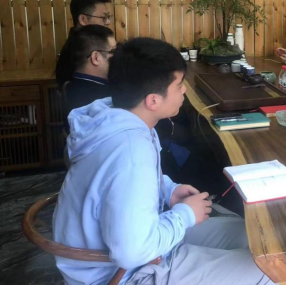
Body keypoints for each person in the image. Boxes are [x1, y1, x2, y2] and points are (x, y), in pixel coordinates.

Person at [53, 38, 273, 285]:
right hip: (120, 273)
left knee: (254, 239)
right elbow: (132, 252)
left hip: (134, 240)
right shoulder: (130, 152)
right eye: (179, 85)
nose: (184, 91)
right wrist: (185, 215)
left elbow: (116, 185)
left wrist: (167, 189)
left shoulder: (116, 118)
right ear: (153, 100)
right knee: (271, 270)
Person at [55, 25, 116, 118]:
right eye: (113, 51)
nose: (118, 55)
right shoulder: (107, 97)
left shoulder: (69, 85)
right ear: (96, 58)